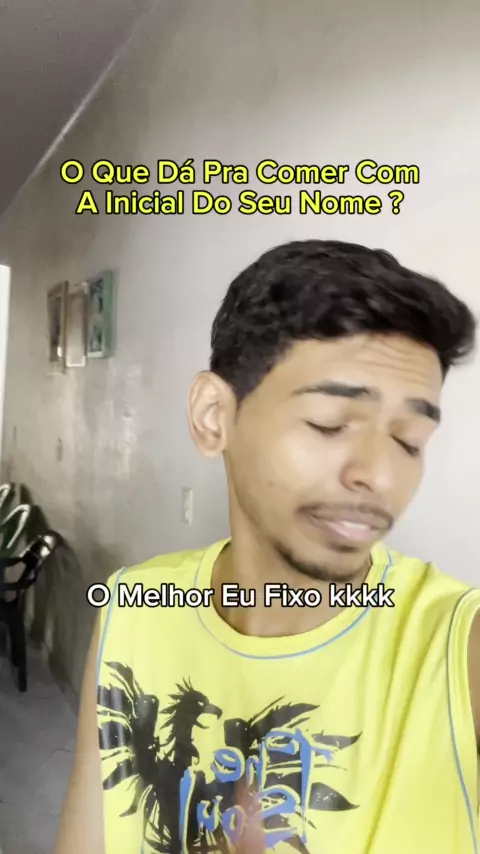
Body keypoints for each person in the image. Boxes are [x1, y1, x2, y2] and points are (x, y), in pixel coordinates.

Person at [55, 239, 480, 854]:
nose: (382, 476)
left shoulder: (456, 646)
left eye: (410, 440)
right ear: (213, 417)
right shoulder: (134, 607)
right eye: (330, 424)